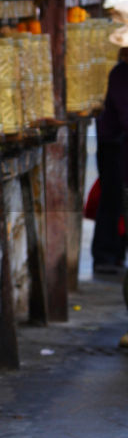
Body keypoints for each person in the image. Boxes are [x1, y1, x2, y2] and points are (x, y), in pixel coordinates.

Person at [92, 45, 128, 276]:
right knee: (113, 199)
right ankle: (106, 255)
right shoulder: (121, 74)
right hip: (115, 145)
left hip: (121, 143)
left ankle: (115, 253)